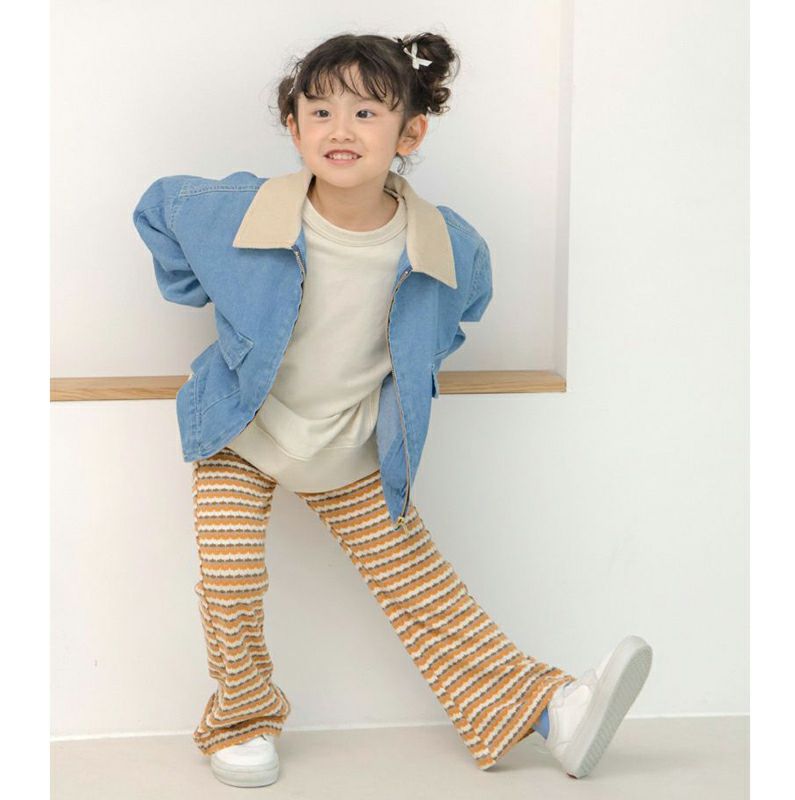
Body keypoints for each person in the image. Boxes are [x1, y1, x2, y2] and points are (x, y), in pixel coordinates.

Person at [132, 32, 653, 789]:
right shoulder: (237, 212)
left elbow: (458, 312)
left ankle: (552, 713)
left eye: (366, 112)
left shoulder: (448, 246)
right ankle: (242, 719)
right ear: (294, 128)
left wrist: (407, 366)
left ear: (410, 134)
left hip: (347, 444)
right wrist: (210, 294)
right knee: (230, 579)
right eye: (320, 111)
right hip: (240, 430)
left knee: (422, 587)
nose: (339, 129)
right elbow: (160, 212)